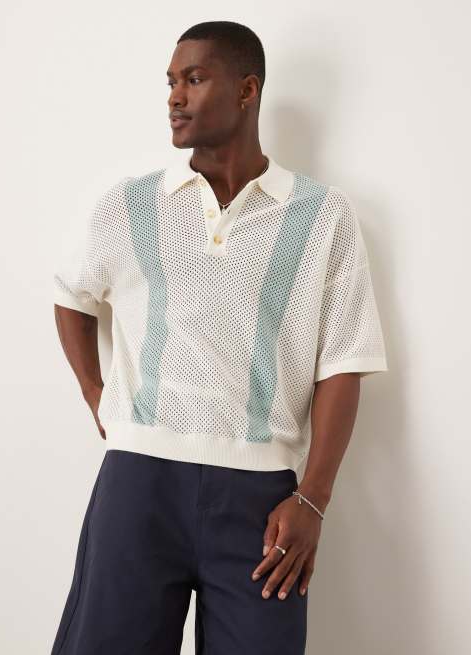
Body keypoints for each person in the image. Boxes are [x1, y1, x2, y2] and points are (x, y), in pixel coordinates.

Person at [50, 20, 388, 655]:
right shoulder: (130, 204)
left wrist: (313, 500)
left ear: (247, 90)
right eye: (170, 82)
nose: (175, 97)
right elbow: (72, 295)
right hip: (138, 484)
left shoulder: (324, 216)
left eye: (195, 78)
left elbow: (345, 361)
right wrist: (97, 394)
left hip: (261, 502)